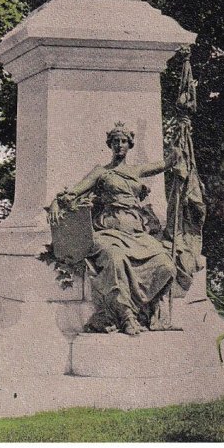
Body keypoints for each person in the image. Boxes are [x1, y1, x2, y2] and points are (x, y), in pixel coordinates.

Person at [48, 123, 184, 336]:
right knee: (115, 257)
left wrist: (179, 146)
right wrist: (58, 202)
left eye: (123, 141)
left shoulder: (136, 171)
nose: (119, 145)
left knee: (166, 265)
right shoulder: (101, 172)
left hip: (137, 234)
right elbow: (73, 193)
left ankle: (146, 310)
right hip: (108, 231)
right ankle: (126, 315)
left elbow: (166, 164)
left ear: (129, 145)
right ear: (110, 145)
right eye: (115, 141)